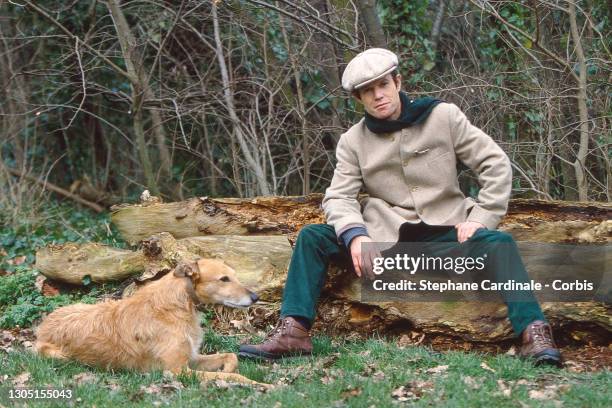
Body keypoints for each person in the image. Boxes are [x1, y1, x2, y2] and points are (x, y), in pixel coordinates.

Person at [238, 48, 562, 366]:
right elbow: (338, 196)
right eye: (368, 91)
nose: (378, 95)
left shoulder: (443, 116)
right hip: (384, 239)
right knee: (312, 237)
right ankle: (293, 331)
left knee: (500, 244)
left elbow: (495, 164)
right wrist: (356, 235)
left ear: (398, 82)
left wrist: (481, 218)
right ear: (358, 99)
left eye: (383, 85)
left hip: (445, 234)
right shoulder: (353, 141)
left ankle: (534, 334)